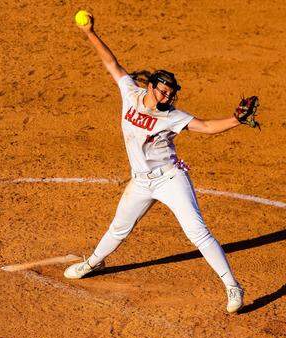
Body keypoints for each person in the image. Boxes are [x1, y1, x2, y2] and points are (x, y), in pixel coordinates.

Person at [63, 13, 256, 314]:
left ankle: (233, 286)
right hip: (140, 181)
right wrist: (90, 32)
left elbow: (205, 127)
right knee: (119, 228)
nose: (168, 96)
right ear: (151, 86)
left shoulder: (173, 117)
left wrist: (236, 120)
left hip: (169, 179)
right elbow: (112, 64)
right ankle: (92, 263)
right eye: (164, 91)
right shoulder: (130, 93)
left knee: (198, 232)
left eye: (171, 93)